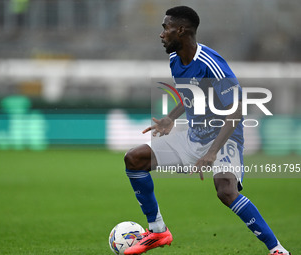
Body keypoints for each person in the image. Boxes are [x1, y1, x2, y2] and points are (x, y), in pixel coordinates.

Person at [123, 6, 291, 255]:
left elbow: (237, 109)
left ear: (180, 30)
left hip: (225, 139)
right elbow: (192, 94)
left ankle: (277, 249)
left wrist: (213, 152)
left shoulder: (211, 63)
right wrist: (170, 118)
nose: (162, 34)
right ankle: (158, 230)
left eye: (165, 27)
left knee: (225, 189)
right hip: (194, 137)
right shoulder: (175, 59)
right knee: (134, 159)